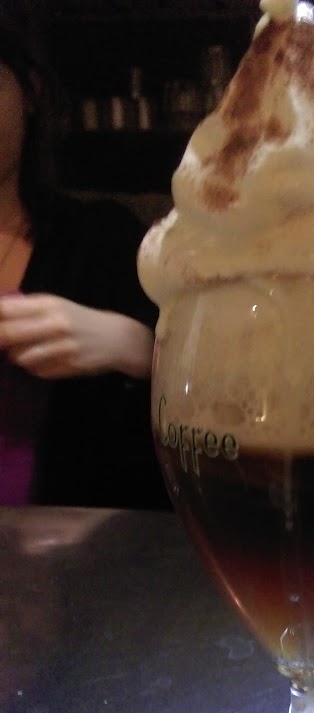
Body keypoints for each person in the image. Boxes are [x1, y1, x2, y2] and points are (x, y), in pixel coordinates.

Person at [0, 2, 167, 508]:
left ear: (30, 93)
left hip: (72, 552)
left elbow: (221, 386)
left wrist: (134, 346)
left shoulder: (104, 239)